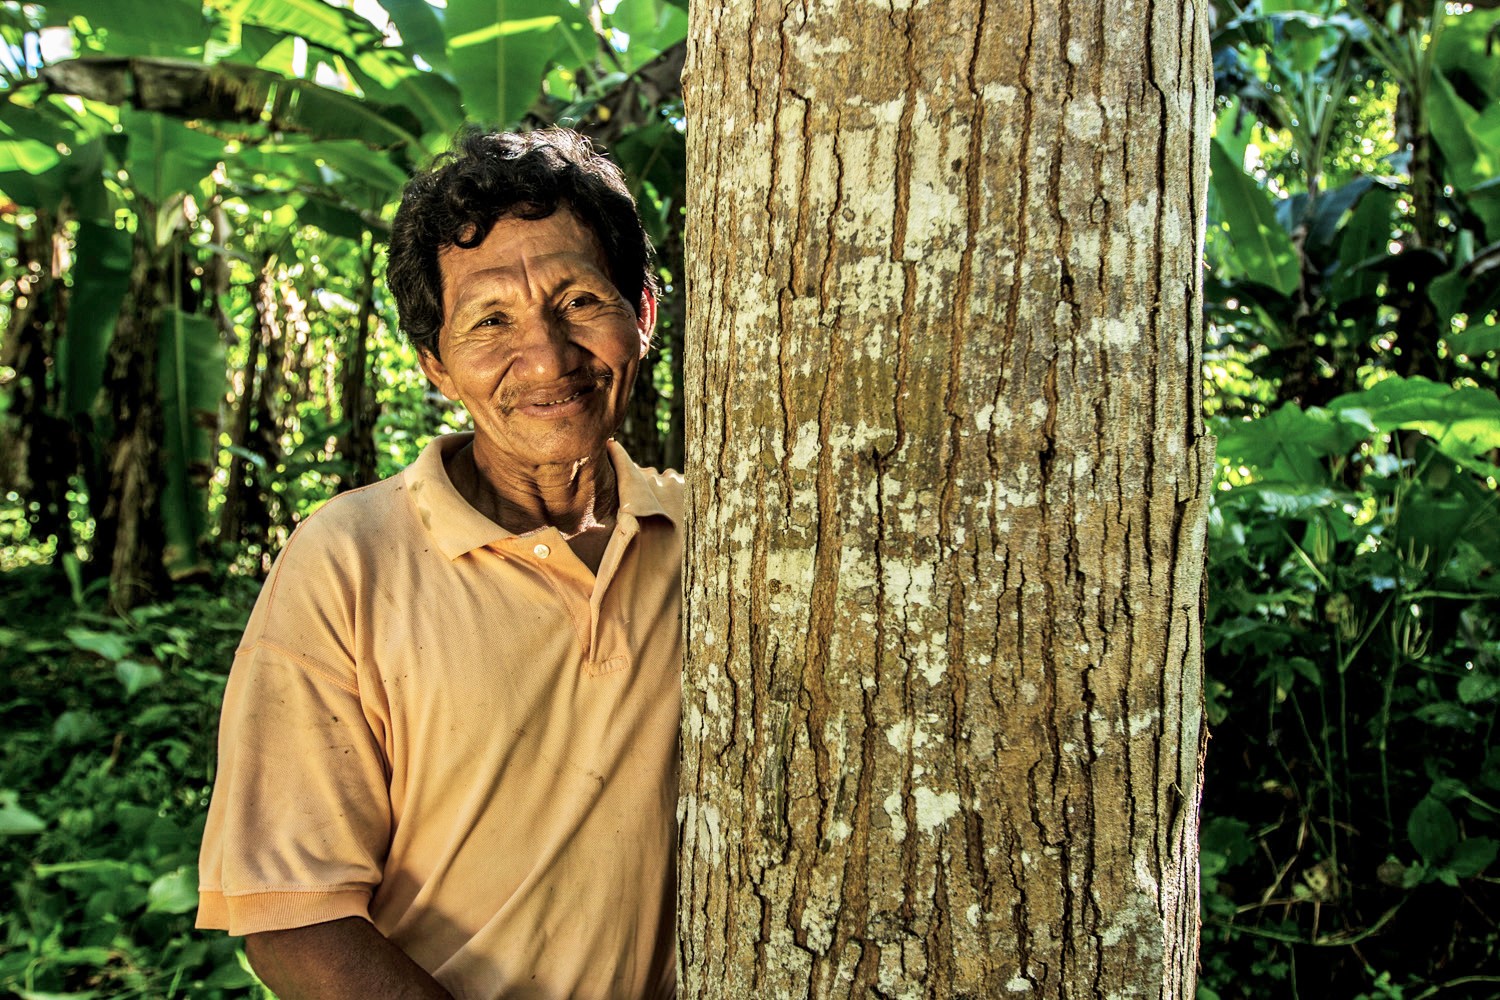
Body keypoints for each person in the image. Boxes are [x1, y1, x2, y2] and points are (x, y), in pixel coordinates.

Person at [196, 127, 682, 1000]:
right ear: (435, 366)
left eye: (578, 301)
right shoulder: (348, 561)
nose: (547, 358)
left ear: (641, 314)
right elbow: (292, 919)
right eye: (490, 321)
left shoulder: (713, 538)